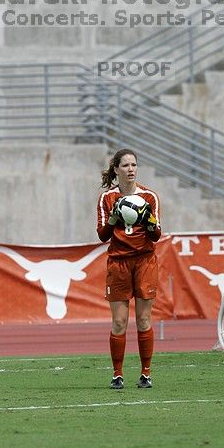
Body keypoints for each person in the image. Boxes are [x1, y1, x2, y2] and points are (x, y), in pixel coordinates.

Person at [97, 148, 161, 390]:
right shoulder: (107, 198)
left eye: (134, 165)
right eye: (125, 166)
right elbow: (103, 235)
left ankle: (146, 373)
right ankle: (117, 374)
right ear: (116, 169)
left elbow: (156, 236)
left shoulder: (149, 197)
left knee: (144, 319)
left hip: (144, 261)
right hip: (118, 263)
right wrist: (114, 218)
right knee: (120, 322)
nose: (130, 169)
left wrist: (149, 220)